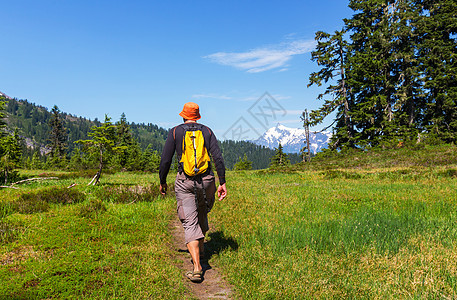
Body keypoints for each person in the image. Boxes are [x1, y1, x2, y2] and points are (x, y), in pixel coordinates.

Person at [159, 102, 227, 283]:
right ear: (198, 116)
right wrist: (222, 182)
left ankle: (197, 268)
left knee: (190, 221)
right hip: (207, 180)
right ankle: (202, 250)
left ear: (183, 115)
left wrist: (162, 181)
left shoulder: (176, 132)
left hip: (185, 181)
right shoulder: (207, 131)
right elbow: (217, 157)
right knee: (203, 211)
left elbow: (165, 159)